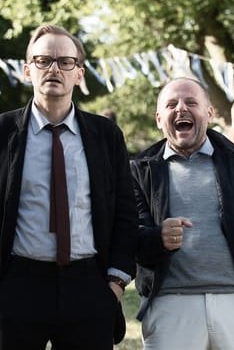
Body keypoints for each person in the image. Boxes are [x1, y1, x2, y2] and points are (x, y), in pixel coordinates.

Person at [0, 24, 137, 349]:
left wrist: (116, 282)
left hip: (88, 285)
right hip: (17, 283)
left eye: (65, 62)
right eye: (43, 60)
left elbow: (126, 212)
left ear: (79, 72)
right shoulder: (3, 132)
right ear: (26, 70)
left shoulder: (106, 135)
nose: (53, 69)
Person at [130, 77, 234, 350]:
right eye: (171, 104)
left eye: (191, 102)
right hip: (170, 304)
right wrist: (158, 238)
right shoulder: (139, 170)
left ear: (209, 113)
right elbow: (131, 238)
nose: (181, 109)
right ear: (159, 119)